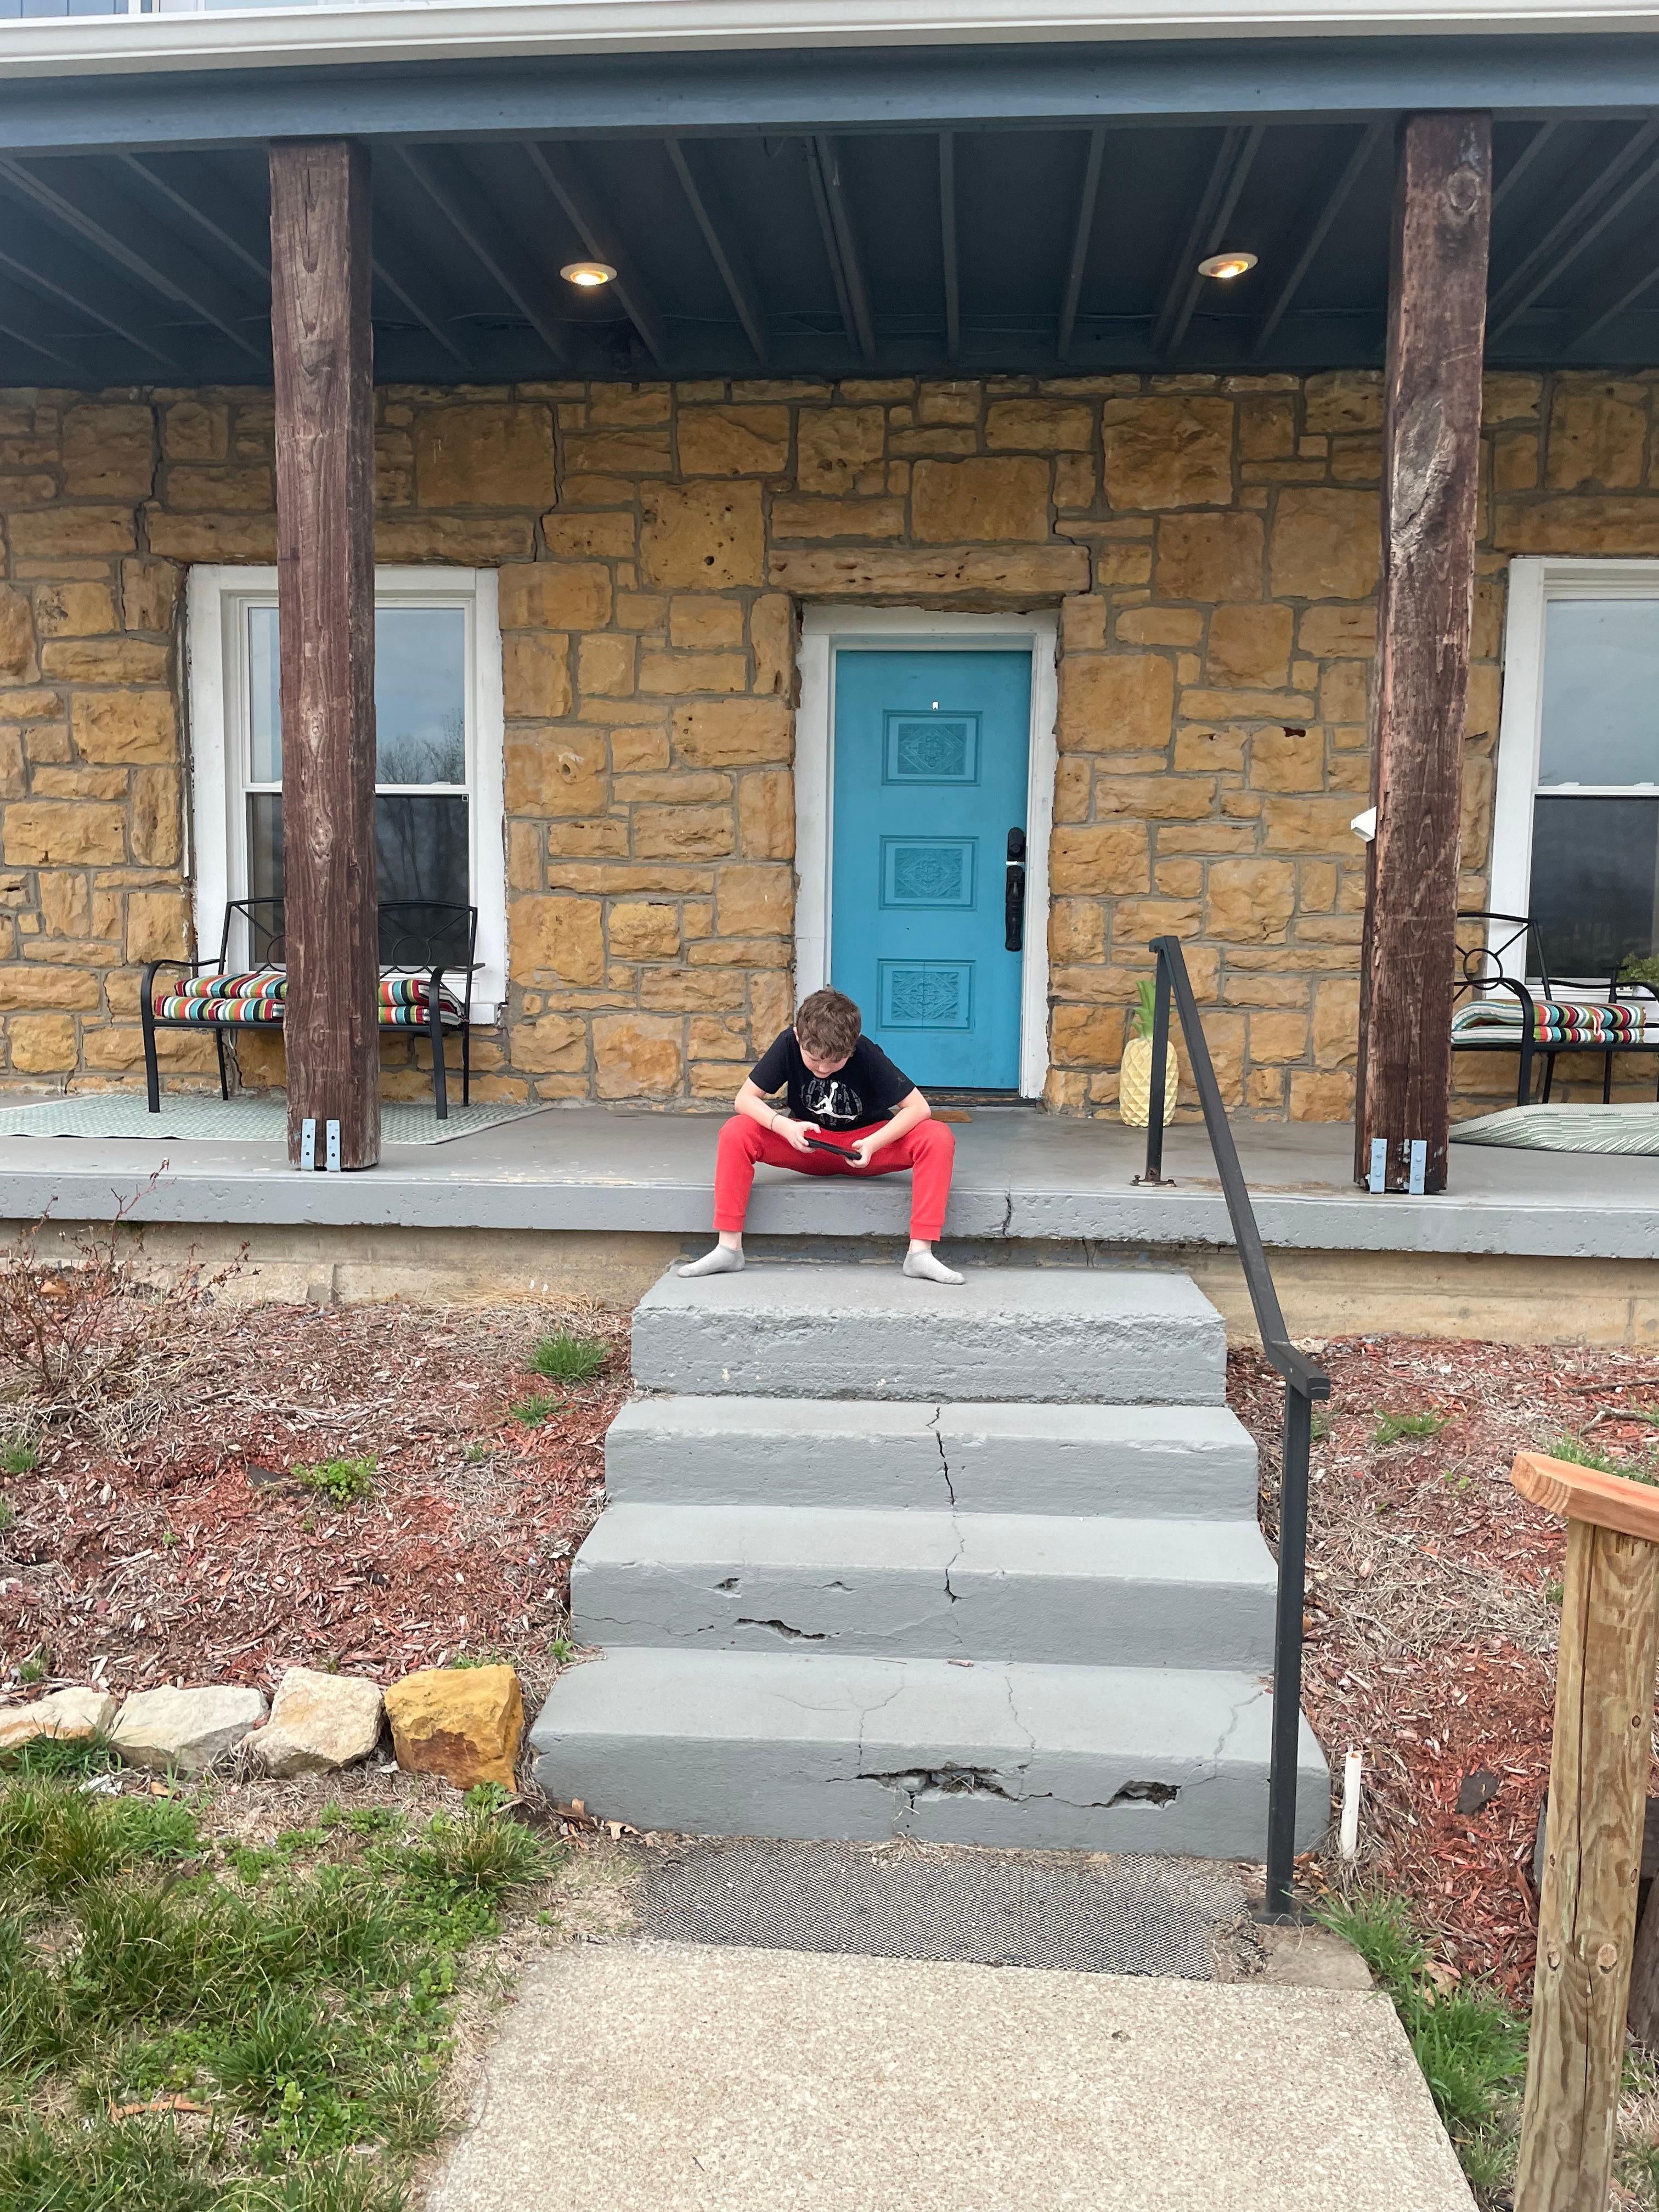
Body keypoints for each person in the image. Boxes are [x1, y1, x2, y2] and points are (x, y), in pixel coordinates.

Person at [677, 987, 962, 1285]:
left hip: (866, 1148)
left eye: (835, 1062)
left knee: (937, 1135)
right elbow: (744, 1099)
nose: (823, 1069)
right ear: (798, 1036)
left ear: (852, 1047)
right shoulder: (788, 1043)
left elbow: (919, 1108)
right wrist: (784, 1126)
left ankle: (920, 1253)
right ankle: (728, 1248)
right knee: (736, 1130)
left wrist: (874, 1142)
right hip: (807, 1143)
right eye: (814, 1059)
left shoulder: (865, 1052)